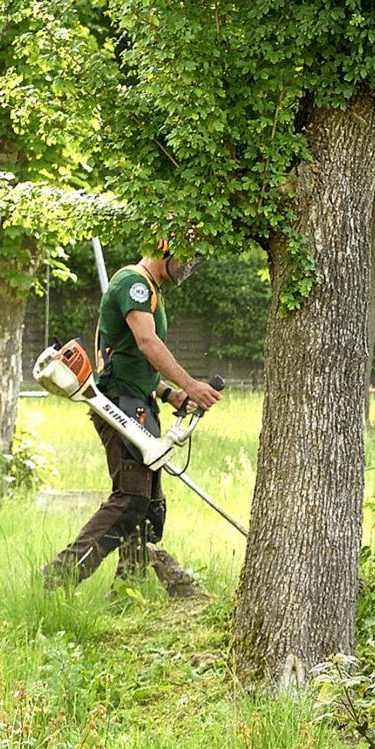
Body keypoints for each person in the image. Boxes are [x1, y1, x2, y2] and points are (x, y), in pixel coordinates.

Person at [43, 238, 221, 597]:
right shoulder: (133, 284)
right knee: (131, 499)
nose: (188, 267)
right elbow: (146, 343)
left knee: (148, 506)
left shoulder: (150, 291)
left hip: (139, 400)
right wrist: (190, 384)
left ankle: (128, 592)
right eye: (185, 257)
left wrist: (171, 394)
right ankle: (59, 577)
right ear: (165, 248)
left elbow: (132, 359)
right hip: (121, 404)